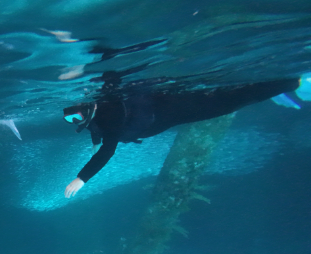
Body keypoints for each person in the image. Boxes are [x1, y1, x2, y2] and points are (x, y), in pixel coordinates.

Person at [63, 77, 309, 198]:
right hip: (169, 108)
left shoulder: (110, 114)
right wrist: (95, 144)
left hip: (173, 110)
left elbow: (108, 150)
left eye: (76, 117)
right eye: (72, 120)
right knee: (224, 99)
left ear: (86, 109)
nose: (76, 122)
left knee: (228, 102)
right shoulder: (98, 113)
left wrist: (82, 178)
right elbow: (97, 131)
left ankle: (293, 82)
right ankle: (278, 86)